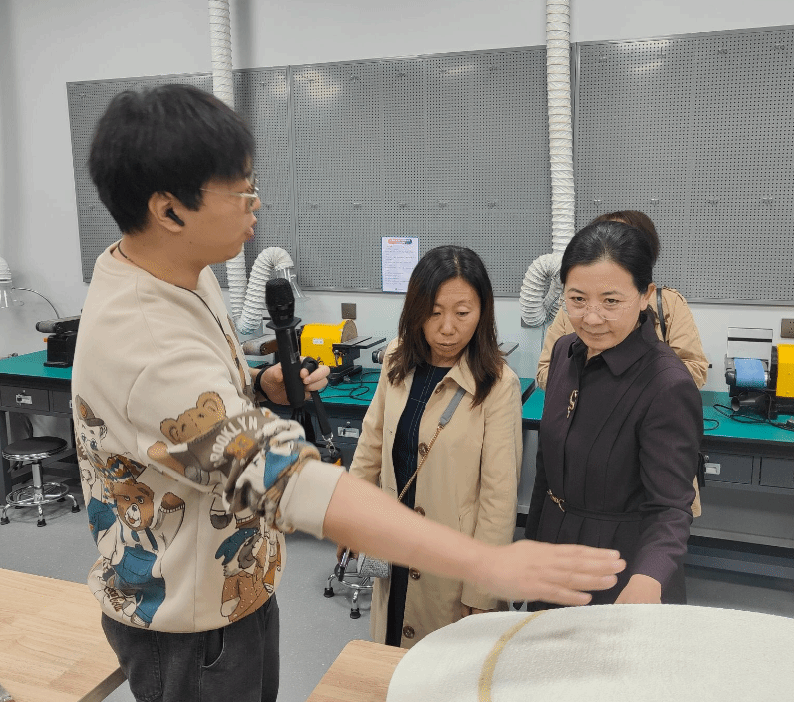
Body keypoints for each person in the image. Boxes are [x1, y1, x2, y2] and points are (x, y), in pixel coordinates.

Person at [74, 84, 625, 702]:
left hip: (232, 585)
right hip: (189, 619)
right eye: (243, 191)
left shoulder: (181, 274)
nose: (257, 204)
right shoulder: (143, 340)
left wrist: (256, 388)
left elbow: (188, 412)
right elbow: (284, 481)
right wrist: (489, 564)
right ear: (171, 211)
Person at [345, 245, 521, 649]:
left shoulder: (498, 385)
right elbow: (371, 443)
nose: (447, 328)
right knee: (392, 648)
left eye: (463, 313)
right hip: (393, 543)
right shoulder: (397, 358)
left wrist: (483, 589)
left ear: (482, 313)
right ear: (415, 311)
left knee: (442, 667)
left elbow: (499, 498)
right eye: (434, 312)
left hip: (452, 563)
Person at [525, 220, 702, 606]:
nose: (591, 318)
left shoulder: (666, 383)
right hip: (555, 548)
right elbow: (546, 468)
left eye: (611, 301)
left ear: (645, 295)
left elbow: (670, 507)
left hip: (621, 564)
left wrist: (648, 578)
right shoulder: (564, 352)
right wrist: (532, 549)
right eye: (577, 299)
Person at [536, 210, 708, 391]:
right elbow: (546, 370)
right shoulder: (573, 309)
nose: (592, 319)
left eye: (611, 301)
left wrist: (628, 386)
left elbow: (694, 369)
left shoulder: (668, 303)